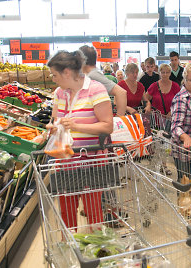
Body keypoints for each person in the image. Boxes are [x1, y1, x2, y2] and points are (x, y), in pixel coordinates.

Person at [46, 50, 113, 229]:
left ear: (66, 72)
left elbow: (107, 126)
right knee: (66, 211)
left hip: (92, 162)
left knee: (93, 211)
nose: (53, 79)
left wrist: (76, 126)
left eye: (54, 75)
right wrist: (53, 129)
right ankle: (69, 249)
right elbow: (57, 121)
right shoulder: (59, 93)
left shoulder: (95, 90)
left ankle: (96, 249)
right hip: (66, 162)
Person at [79, 45, 127, 116]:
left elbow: (121, 93)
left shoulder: (93, 75)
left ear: (83, 60)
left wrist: (119, 118)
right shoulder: (91, 74)